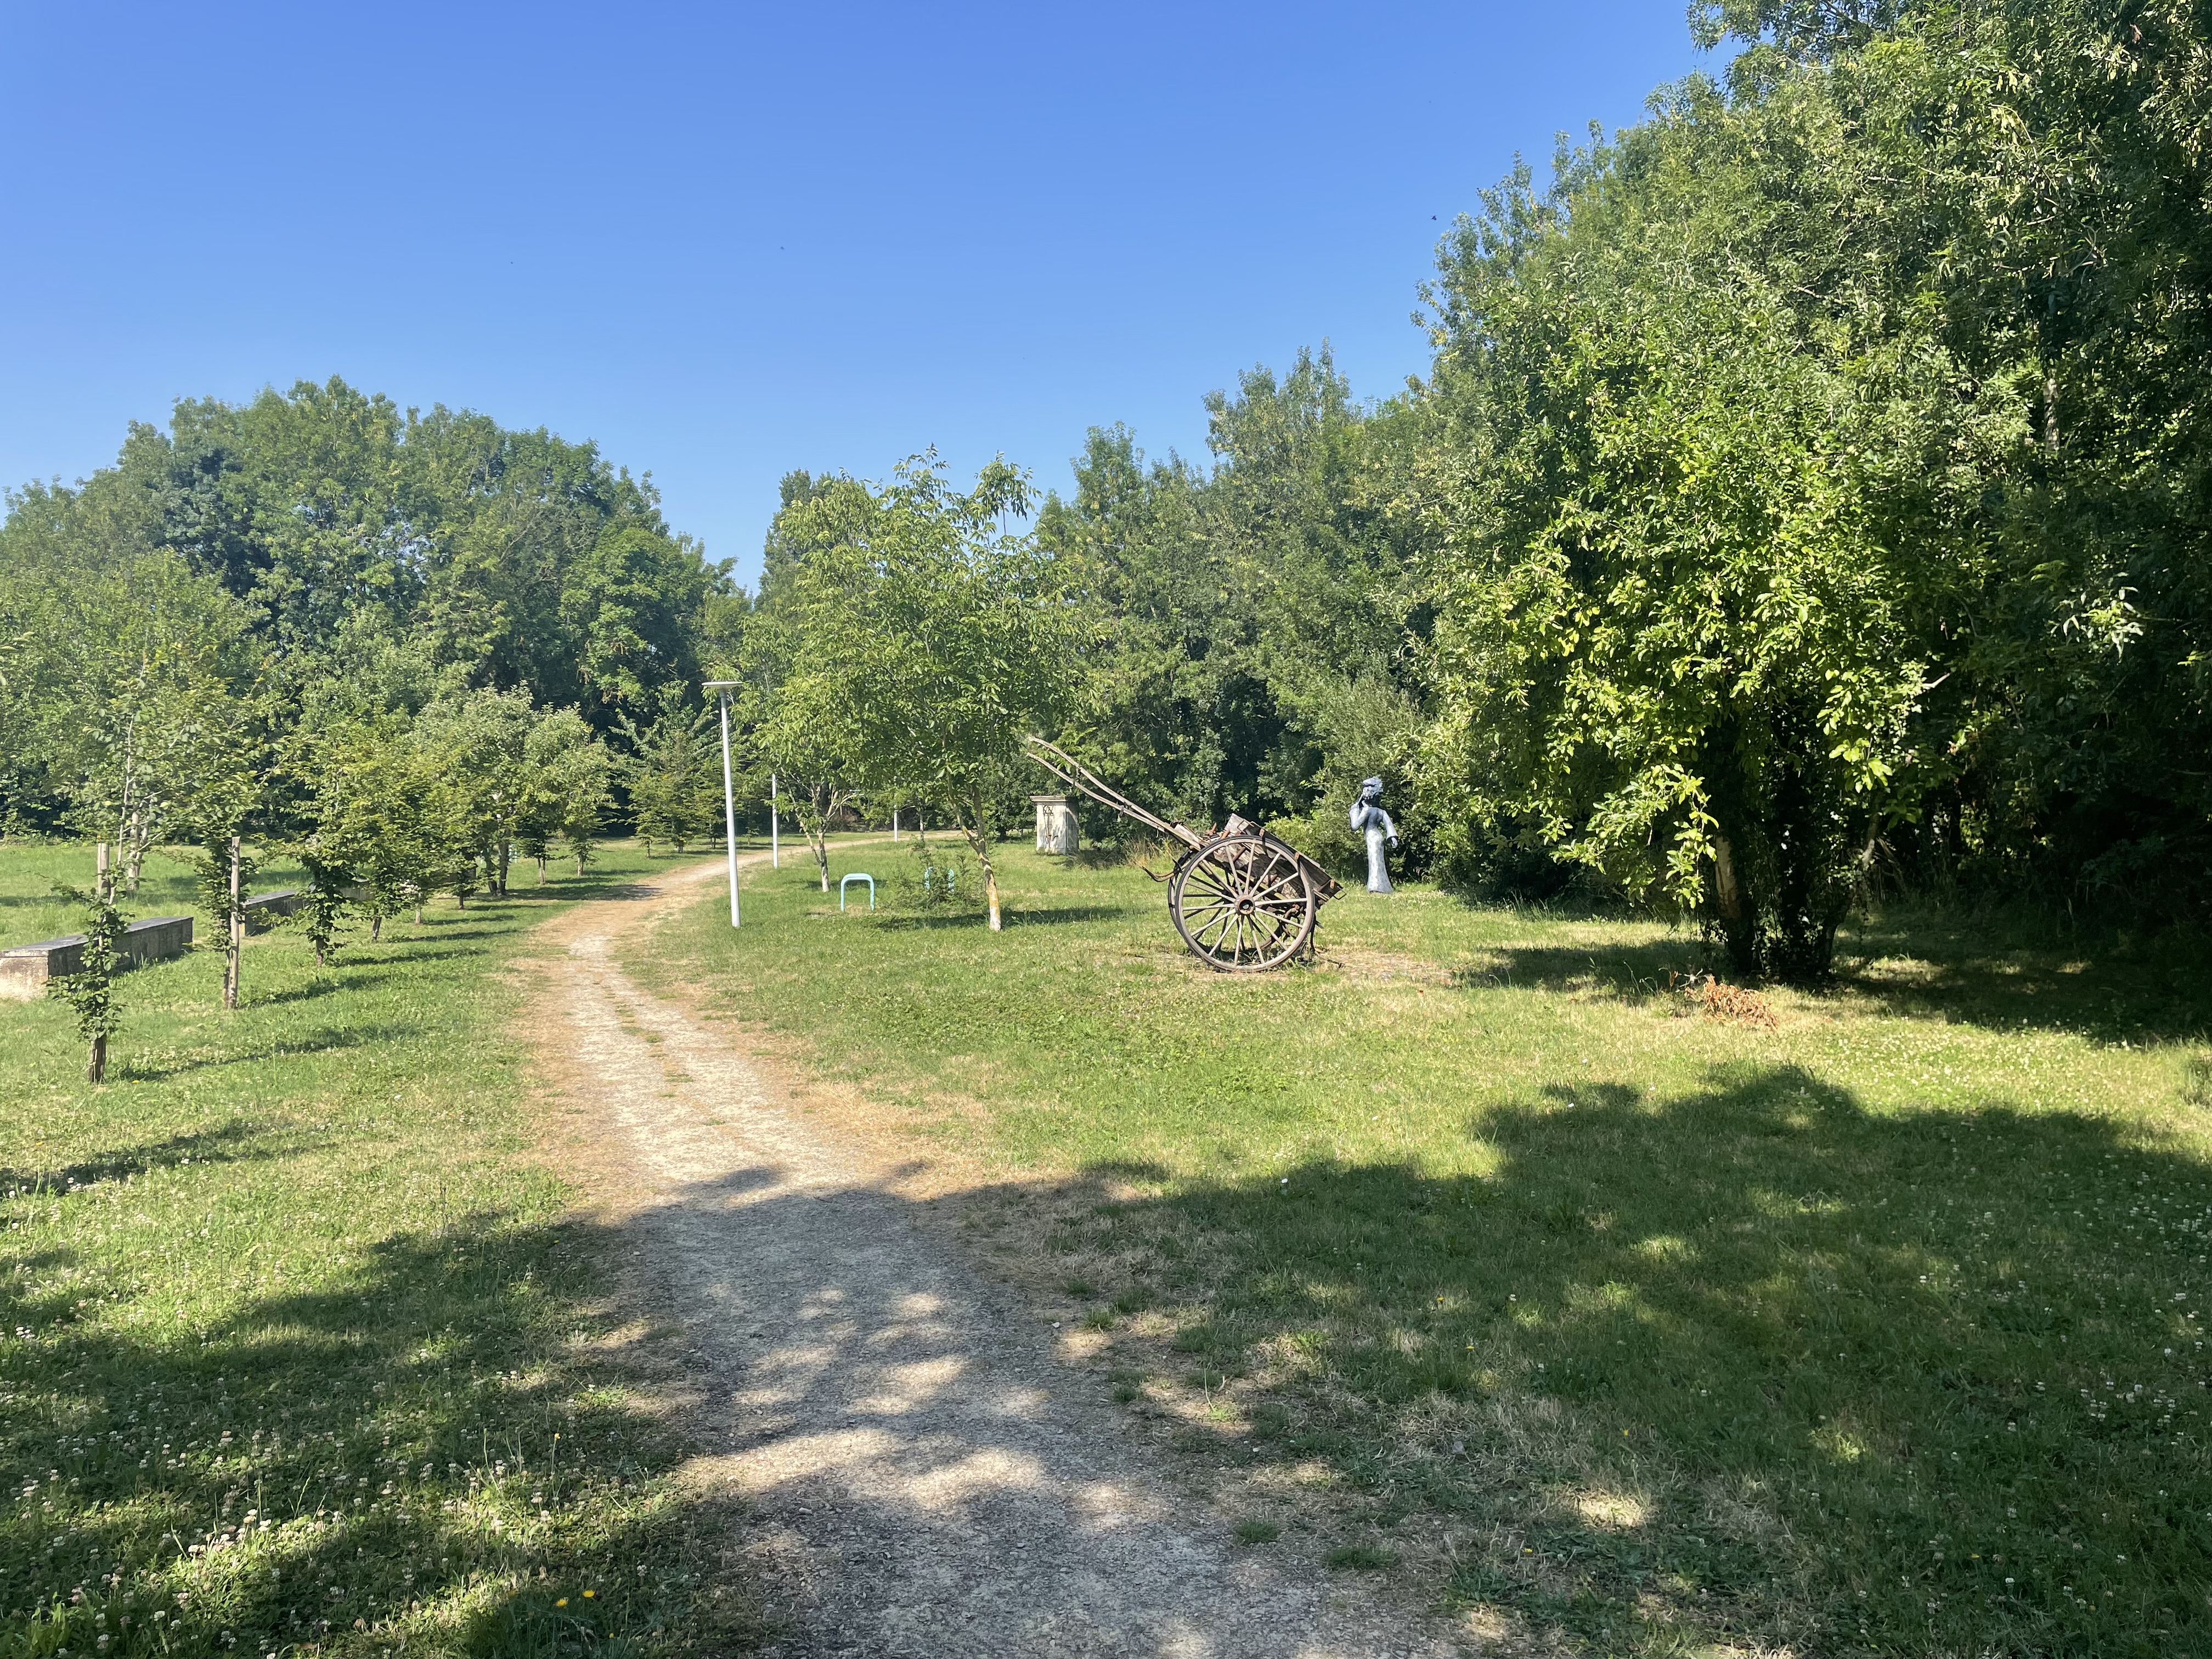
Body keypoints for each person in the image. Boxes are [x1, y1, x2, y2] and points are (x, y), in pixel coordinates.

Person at [1348, 776, 1398, 894]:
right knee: (1378, 862)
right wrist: (1393, 838)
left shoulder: (1366, 811)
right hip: (1379, 837)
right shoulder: (1381, 811)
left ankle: (1376, 887)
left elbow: (1355, 826)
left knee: (1375, 862)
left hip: (1372, 837)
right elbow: (1389, 825)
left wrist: (1354, 811)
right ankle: (1384, 887)